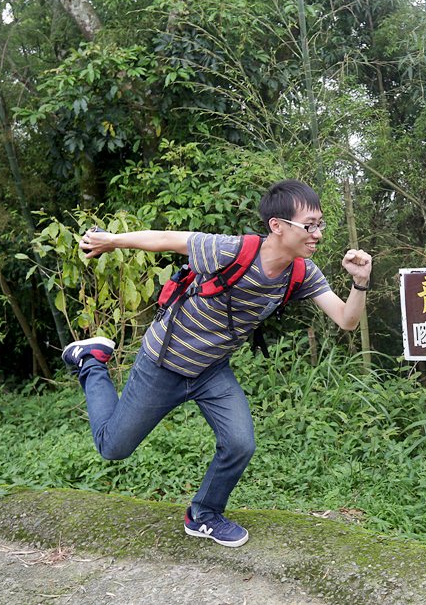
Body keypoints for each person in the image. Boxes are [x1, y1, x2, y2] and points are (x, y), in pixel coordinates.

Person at [60, 180, 372, 548]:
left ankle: (203, 514)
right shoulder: (230, 250)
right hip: (164, 362)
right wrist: (110, 240)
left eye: (320, 224)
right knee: (113, 447)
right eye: (310, 225)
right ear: (277, 225)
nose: (317, 233)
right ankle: (91, 361)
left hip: (211, 370)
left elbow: (346, 320)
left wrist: (361, 282)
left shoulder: (303, 273)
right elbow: (166, 239)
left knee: (240, 443)